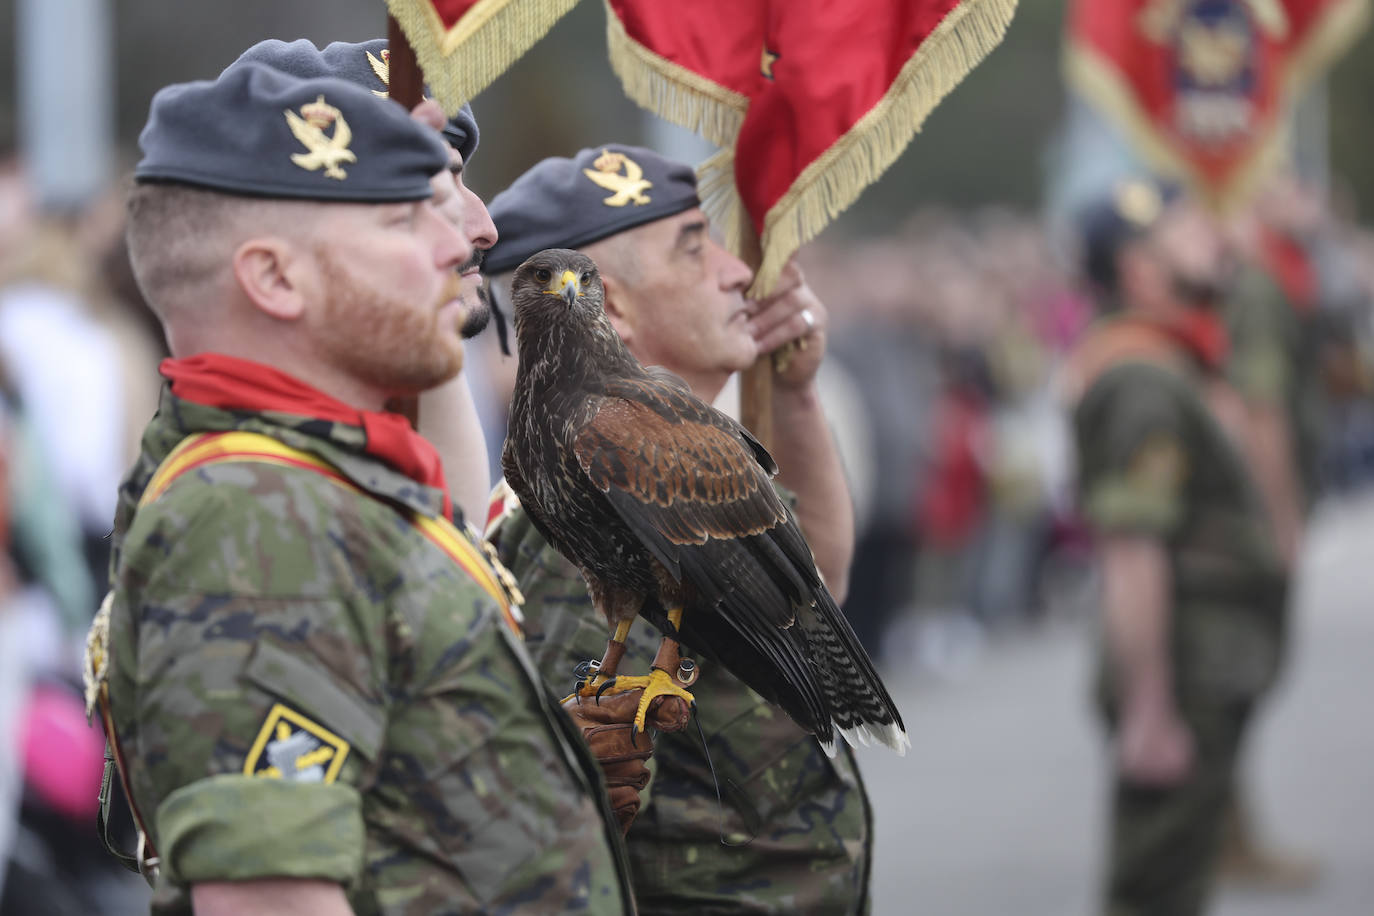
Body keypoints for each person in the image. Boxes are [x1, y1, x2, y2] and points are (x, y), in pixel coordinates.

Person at [93, 63, 635, 913]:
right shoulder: (255, 518)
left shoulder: (318, 486)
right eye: (399, 218)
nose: (461, 242)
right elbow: (271, 899)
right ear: (275, 279)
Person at [483, 146, 873, 913]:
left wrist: (793, 395)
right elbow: (582, 801)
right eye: (696, 248)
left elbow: (810, 585)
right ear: (611, 307)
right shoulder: (582, 475)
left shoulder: (674, 455)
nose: (738, 272)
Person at [1061, 179, 1290, 916]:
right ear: (1139, 271)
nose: (1213, 236)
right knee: (1157, 891)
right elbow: (1133, 552)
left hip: (1205, 658)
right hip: (1184, 668)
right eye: (1185, 229)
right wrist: (1150, 710)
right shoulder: (1141, 376)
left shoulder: (1176, 358)